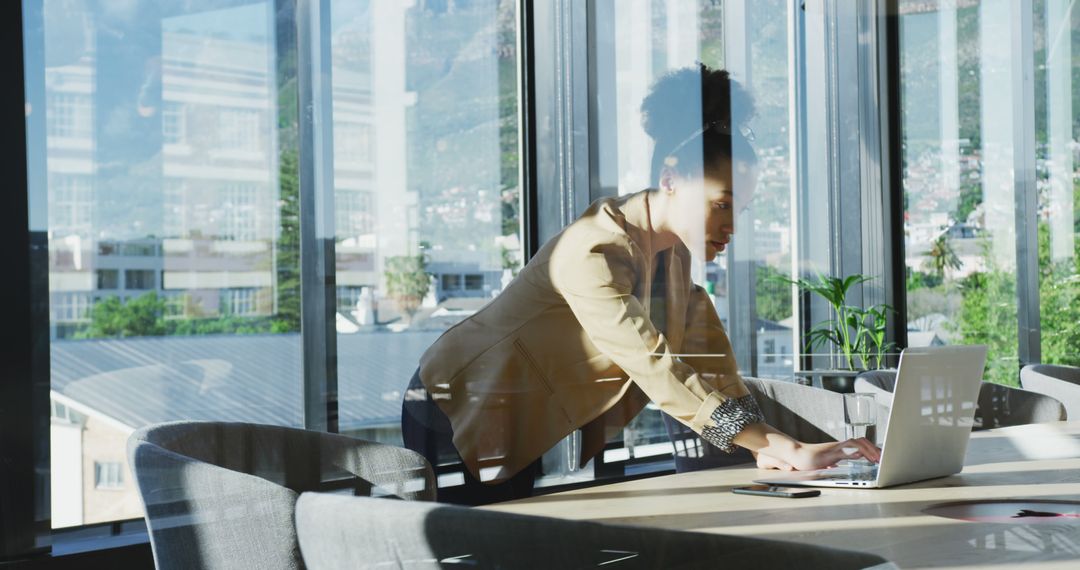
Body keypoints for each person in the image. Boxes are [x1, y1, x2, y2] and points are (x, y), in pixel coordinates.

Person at [401, 64, 880, 505]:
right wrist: (784, 444)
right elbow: (652, 363)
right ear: (670, 178)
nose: (732, 225)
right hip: (455, 404)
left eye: (742, 210)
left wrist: (765, 447)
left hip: (520, 417)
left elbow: (710, 359)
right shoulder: (593, 249)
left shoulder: (671, 257)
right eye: (721, 204)